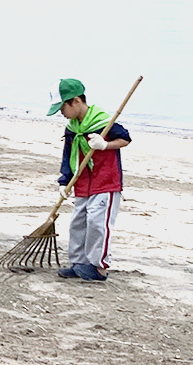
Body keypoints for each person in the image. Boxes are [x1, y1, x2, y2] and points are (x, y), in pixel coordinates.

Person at [48, 78, 131, 281]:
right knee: (78, 222)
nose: (61, 113)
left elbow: (125, 139)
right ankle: (79, 264)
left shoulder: (104, 122)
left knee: (97, 223)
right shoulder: (72, 128)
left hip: (106, 182)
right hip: (82, 182)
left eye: (62, 108)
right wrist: (64, 181)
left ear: (76, 101)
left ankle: (98, 267)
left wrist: (104, 144)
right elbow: (68, 156)